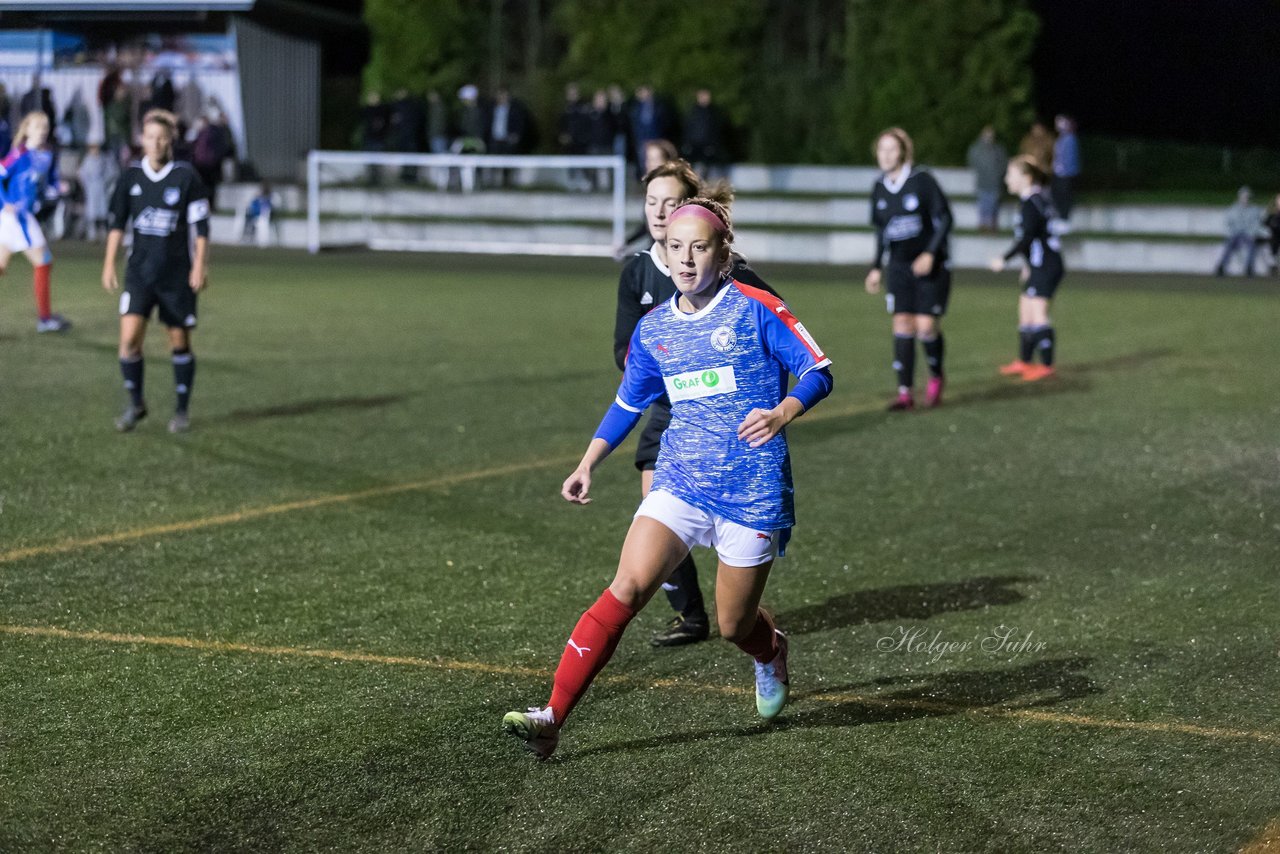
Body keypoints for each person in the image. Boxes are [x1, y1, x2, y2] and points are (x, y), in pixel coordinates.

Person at [503, 195, 834, 759]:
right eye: (674, 247)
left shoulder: (756, 307)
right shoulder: (654, 329)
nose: (684, 259)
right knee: (626, 587)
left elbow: (819, 370)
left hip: (750, 490)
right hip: (678, 479)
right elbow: (628, 404)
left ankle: (770, 651)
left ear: (722, 253)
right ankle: (552, 716)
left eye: (698, 248)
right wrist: (588, 462)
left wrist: (782, 411)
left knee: (734, 625)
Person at [614, 159, 779, 647]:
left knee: (736, 611)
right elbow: (625, 350)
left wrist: (772, 402)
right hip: (669, 410)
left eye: (671, 203)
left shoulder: (730, 274)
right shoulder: (638, 271)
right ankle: (688, 612)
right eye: (651, 203)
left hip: (729, 421)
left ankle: (745, 622)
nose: (660, 212)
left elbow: (780, 332)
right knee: (655, 506)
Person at [101, 109, 210, 434]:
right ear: (142, 141)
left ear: (171, 141)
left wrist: (200, 264)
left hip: (176, 275)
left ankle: (181, 410)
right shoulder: (130, 177)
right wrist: (109, 263)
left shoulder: (186, 177)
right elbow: (117, 224)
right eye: (150, 137)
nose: (156, 143)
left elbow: (200, 227)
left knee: (178, 341)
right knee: (129, 340)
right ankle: (136, 403)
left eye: (162, 138)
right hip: (139, 273)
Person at [864, 127, 954, 410]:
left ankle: (937, 376)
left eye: (892, 149)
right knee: (902, 324)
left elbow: (946, 218)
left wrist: (929, 253)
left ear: (903, 152)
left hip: (932, 266)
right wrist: (876, 267)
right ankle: (905, 393)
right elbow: (882, 233)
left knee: (926, 327)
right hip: (899, 267)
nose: (886, 155)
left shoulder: (922, 180)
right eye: (882, 149)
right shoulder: (879, 187)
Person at [989, 156, 1065, 382]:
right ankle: (1024, 361)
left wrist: (1004, 259)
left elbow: (1028, 239)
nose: (1006, 179)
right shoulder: (1032, 200)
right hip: (1038, 264)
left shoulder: (1032, 202)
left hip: (1047, 265)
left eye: (1011, 174)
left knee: (1038, 314)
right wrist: (1027, 265)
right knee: (1025, 313)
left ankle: (1047, 365)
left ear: (1026, 177)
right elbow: (1034, 240)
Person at [0, 111, 70, 333]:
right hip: (16, 217)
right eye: (38, 127)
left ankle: (45, 318)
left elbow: (48, 182)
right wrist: (5, 202)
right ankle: (45, 319)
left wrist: (57, 187)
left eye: (45, 127)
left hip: (22, 216)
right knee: (43, 261)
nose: (42, 131)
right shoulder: (19, 154)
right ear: (27, 129)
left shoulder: (46, 155)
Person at [614, 138, 679, 258]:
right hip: (657, 255)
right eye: (648, 159)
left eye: (654, 159)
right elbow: (647, 226)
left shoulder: (675, 190)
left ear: (667, 162)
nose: (649, 164)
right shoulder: (653, 189)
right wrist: (627, 243)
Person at [1214, 186, 1263, 277]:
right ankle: (1221, 266)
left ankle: (1249, 268)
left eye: (1248, 197)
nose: (1246, 199)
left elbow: (1256, 224)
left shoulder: (1255, 210)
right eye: (1244, 197)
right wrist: (1231, 234)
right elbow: (1228, 224)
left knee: (1252, 245)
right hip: (1235, 235)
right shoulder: (1232, 209)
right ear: (1240, 197)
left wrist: (1252, 234)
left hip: (1248, 235)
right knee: (1229, 244)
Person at [967, 125, 1007, 232]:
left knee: (993, 204)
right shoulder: (976, 149)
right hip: (982, 181)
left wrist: (998, 174)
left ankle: (992, 224)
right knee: (983, 203)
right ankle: (983, 224)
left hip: (994, 181)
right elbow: (972, 161)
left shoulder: (998, 149)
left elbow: (1003, 163)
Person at [682, 88, 726, 180]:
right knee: (694, 167)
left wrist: (713, 145)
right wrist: (687, 143)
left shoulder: (713, 112)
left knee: (706, 168)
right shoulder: (693, 111)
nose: (705, 98)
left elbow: (715, 130)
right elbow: (688, 128)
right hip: (695, 145)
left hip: (708, 145)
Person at [1051, 114, 1081, 219]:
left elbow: (1069, 157)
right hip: (1059, 173)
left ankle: (1064, 219)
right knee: (1057, 195)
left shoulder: (1070, 138)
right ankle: (1060, 217)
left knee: (1065, 196)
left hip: (1066, 174)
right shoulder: (1062, 138)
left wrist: (1063, 168)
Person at [1264, 194, 1280, 276]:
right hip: (1274, 237)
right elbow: (1265, 223)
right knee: (1274, 242)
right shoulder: (1273, 214)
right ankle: (1273, 266)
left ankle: (1273, 266)